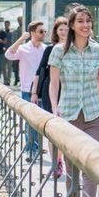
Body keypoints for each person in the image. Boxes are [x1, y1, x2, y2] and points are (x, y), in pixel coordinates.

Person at [48, 5, 99, 197]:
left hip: (93, 114)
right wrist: (54, 110)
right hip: (68, 115)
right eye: (80, 21)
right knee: (72, 170)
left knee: (91, 167)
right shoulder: (58, 51)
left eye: (88, 21)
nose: (85, 25)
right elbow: (54, 83)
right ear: (72, 25)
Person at [5, 20, 47, 160]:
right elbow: (9, 55)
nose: (44, 34)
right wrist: (21, 39)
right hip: (27, 89)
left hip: (41, 89)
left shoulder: (45, 49)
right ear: (32, 33)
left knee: (40, 121)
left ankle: (37, 147)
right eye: (41, 31)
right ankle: (30, 148)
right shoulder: (23, 48)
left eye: (44, 31)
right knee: (29, 120)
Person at [33, 17, 69, 176]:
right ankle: (57, 162)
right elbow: (39, 71)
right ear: (56, 31)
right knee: (53, 127)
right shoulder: (49, 49)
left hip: (68, 90)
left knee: (66, 128)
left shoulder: (75, 48)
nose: (64, 32)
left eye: (66, 29)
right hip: (51, 90)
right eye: (60, 29)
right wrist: (34, 92)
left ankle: (61, 160)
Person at [11, 16, 23, 85]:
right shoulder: (17, 29)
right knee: (15, 66)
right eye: (18, 20)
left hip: (22, 49)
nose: (19, 21)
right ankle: (16, 79)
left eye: (20, 20)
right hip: (17, 49)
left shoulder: (24, 29)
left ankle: (20, 80)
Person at [2, 20, 13, 84]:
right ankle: (5, 80)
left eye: (8, 24)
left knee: (9, 67)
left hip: (10, 51)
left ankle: (8, 80)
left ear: (9, 25)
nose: (7, 25)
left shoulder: (11, 33)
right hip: (3, 51)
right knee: (3, 67)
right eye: (6, 24)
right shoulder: (2, 33)